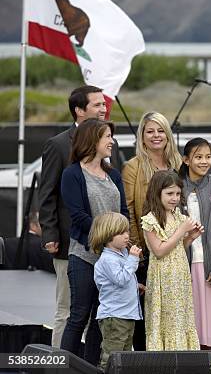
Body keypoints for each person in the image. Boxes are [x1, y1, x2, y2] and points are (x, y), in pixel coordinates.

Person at [39, 85, 120, 348]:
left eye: (104, 105)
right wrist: (50, 234)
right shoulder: (58, 144)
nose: (103, 108)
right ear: (79, 110)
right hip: (70, 243)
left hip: (109, 250)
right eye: (97, 105)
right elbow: (47, 194)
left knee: (99, 313)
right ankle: (58, 364)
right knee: (68, 311)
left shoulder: (109, 146)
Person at [60, 118, 129, 365]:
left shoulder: (113, 175)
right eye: (106, 137)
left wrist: (120, 241)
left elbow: (123, 212)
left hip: (112, 258)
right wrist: (109, 236)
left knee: (102, 318)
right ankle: (63, 368)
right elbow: (78, 216)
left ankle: (90, 368)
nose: (111, 141)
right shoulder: (72, 174)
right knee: (78, 316)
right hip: (84, 256)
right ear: (92, 140)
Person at [122, 111, 182, 350]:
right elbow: (128, 209)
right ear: (142, 136)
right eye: (150, 131)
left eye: (160, 130)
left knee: (172, 312)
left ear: (168, 134)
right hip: (146, 252)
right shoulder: (133, 167)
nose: (156, 136)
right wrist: (138, 249)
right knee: (147, 314)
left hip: (178, 250)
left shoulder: (178, 164)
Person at [179, 138, 211, 368]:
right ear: (186, 160)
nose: (204, 161)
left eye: (208, 156)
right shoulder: (176, 184)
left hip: (209, 266)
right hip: (185, 264)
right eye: (198, 157)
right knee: (192, 324)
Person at [141, 170, 202, 351]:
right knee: (165, 320)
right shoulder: (150, 220)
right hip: (163, 280)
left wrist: (190, 237)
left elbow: (176, 249)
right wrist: (181, 230)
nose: (174, 198)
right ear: (157, 193)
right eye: (169, 193)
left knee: (180, 319)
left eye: (177, 193)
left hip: (180, 276)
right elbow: (159, 251)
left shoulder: (178, 216)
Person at [91, 212, 142, 371]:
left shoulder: (121, 254)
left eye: (127, 231)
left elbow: (123, 281)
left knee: (124, 356)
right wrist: (133, 259)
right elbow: (120, 279)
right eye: (121, 233)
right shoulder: (108, 259)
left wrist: (136, 286)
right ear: (107, 235)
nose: (127, 236)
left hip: (126, 315)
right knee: (112, 355)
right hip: (115, 316)